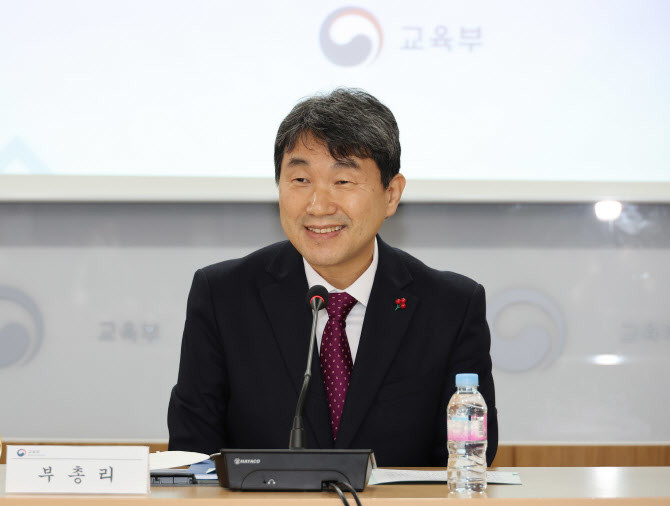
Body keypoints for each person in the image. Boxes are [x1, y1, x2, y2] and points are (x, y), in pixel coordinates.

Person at [168, 88, 498, 466]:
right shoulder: (224, 297)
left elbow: (467, 462)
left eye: (342, 181)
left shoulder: (450, 307)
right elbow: (193, 454)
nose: (318, 205)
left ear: (391, 194)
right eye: (300, 179)